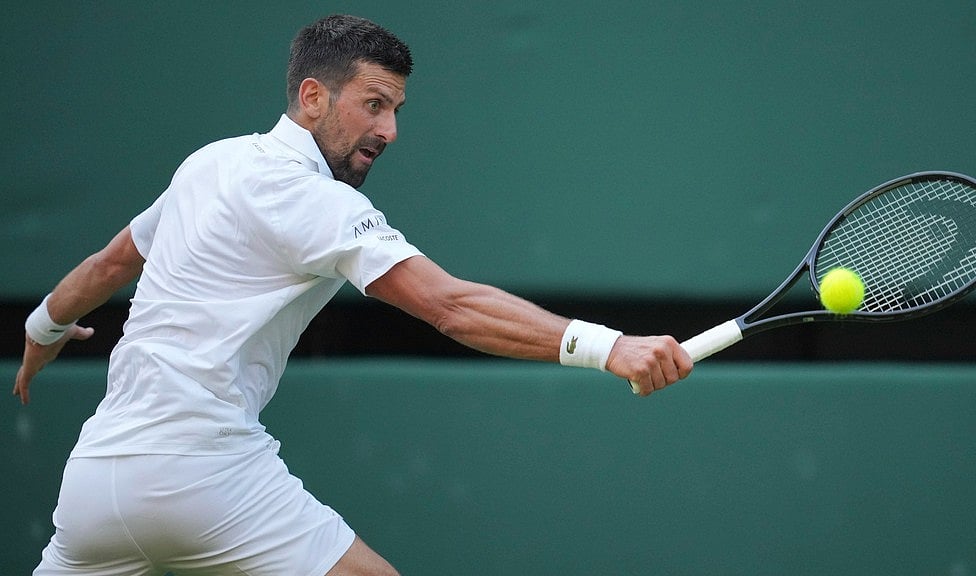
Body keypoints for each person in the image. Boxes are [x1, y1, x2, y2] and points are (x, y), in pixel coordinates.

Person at [14, 14, 691, 576]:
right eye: (374, 105)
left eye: (395, 109)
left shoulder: (211, 162)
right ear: (312, 97)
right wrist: (611, 348)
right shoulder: (315, 201)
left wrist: (42, 330)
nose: (390, 131)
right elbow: (449, 306)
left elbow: (109, 265)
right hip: (204, 473)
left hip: (97, 484)